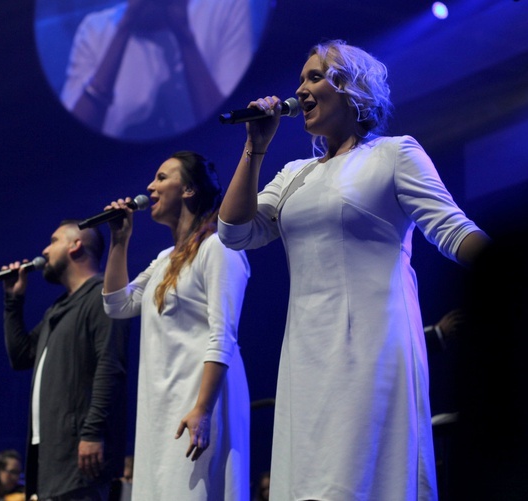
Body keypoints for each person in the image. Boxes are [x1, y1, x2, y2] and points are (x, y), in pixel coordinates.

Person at [217, 39, 491, 500]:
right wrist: (255, 147)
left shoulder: (393, 154)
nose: (301, 89)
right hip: (306, 353)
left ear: (351, 88)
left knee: (360, 479)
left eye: (315, 77)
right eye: (300, 79)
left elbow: (453, 230)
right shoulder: (293, 174)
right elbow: (234, 232)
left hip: (372, 347)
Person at [103, 151, 251, 499]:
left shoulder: (219, 248)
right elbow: (116, 303)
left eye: (161, 177)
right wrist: (119, 240)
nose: (150, 187)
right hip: (163, 402)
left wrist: (202, 409)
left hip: (201, 399)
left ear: (188, 189)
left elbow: (223, 333)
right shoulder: (163, 260)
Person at [1, 221, 128, 500]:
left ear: (75, 245)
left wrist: (93, 433)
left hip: (80, 458)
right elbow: (21, 357)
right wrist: (13, 301)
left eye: (53, 240)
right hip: (52, 459)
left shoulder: (101, 296)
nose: (45, 250)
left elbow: (110, 367)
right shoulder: (58, 308)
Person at [60, 0, 251, 140]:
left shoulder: (225, 8)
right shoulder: (95, 28)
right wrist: (125, 26)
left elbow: (230, 127)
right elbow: (71, 137)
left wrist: (184, 34)